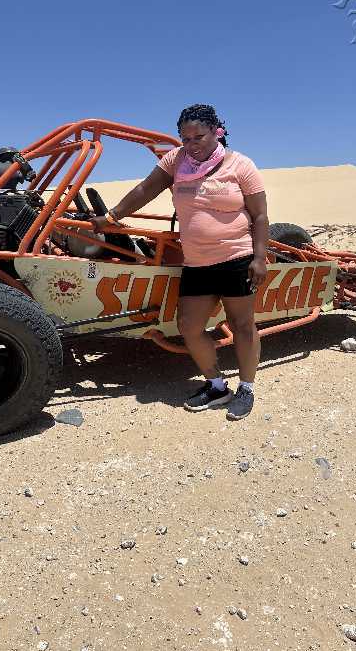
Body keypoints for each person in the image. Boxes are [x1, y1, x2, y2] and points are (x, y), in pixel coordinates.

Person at [91, 103, 268, 420]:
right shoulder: (176, 160)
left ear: (216, 132)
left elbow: (260, 216)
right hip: (197, 263)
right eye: (185, 139)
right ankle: (217, 385)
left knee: (242, 325)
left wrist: (259, 257)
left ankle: (247, 388)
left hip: (236, 258)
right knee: (189, 326)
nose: (192, 145)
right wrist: (112, 216)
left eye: (199, 137)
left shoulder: (241, 165)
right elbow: (146, 188)